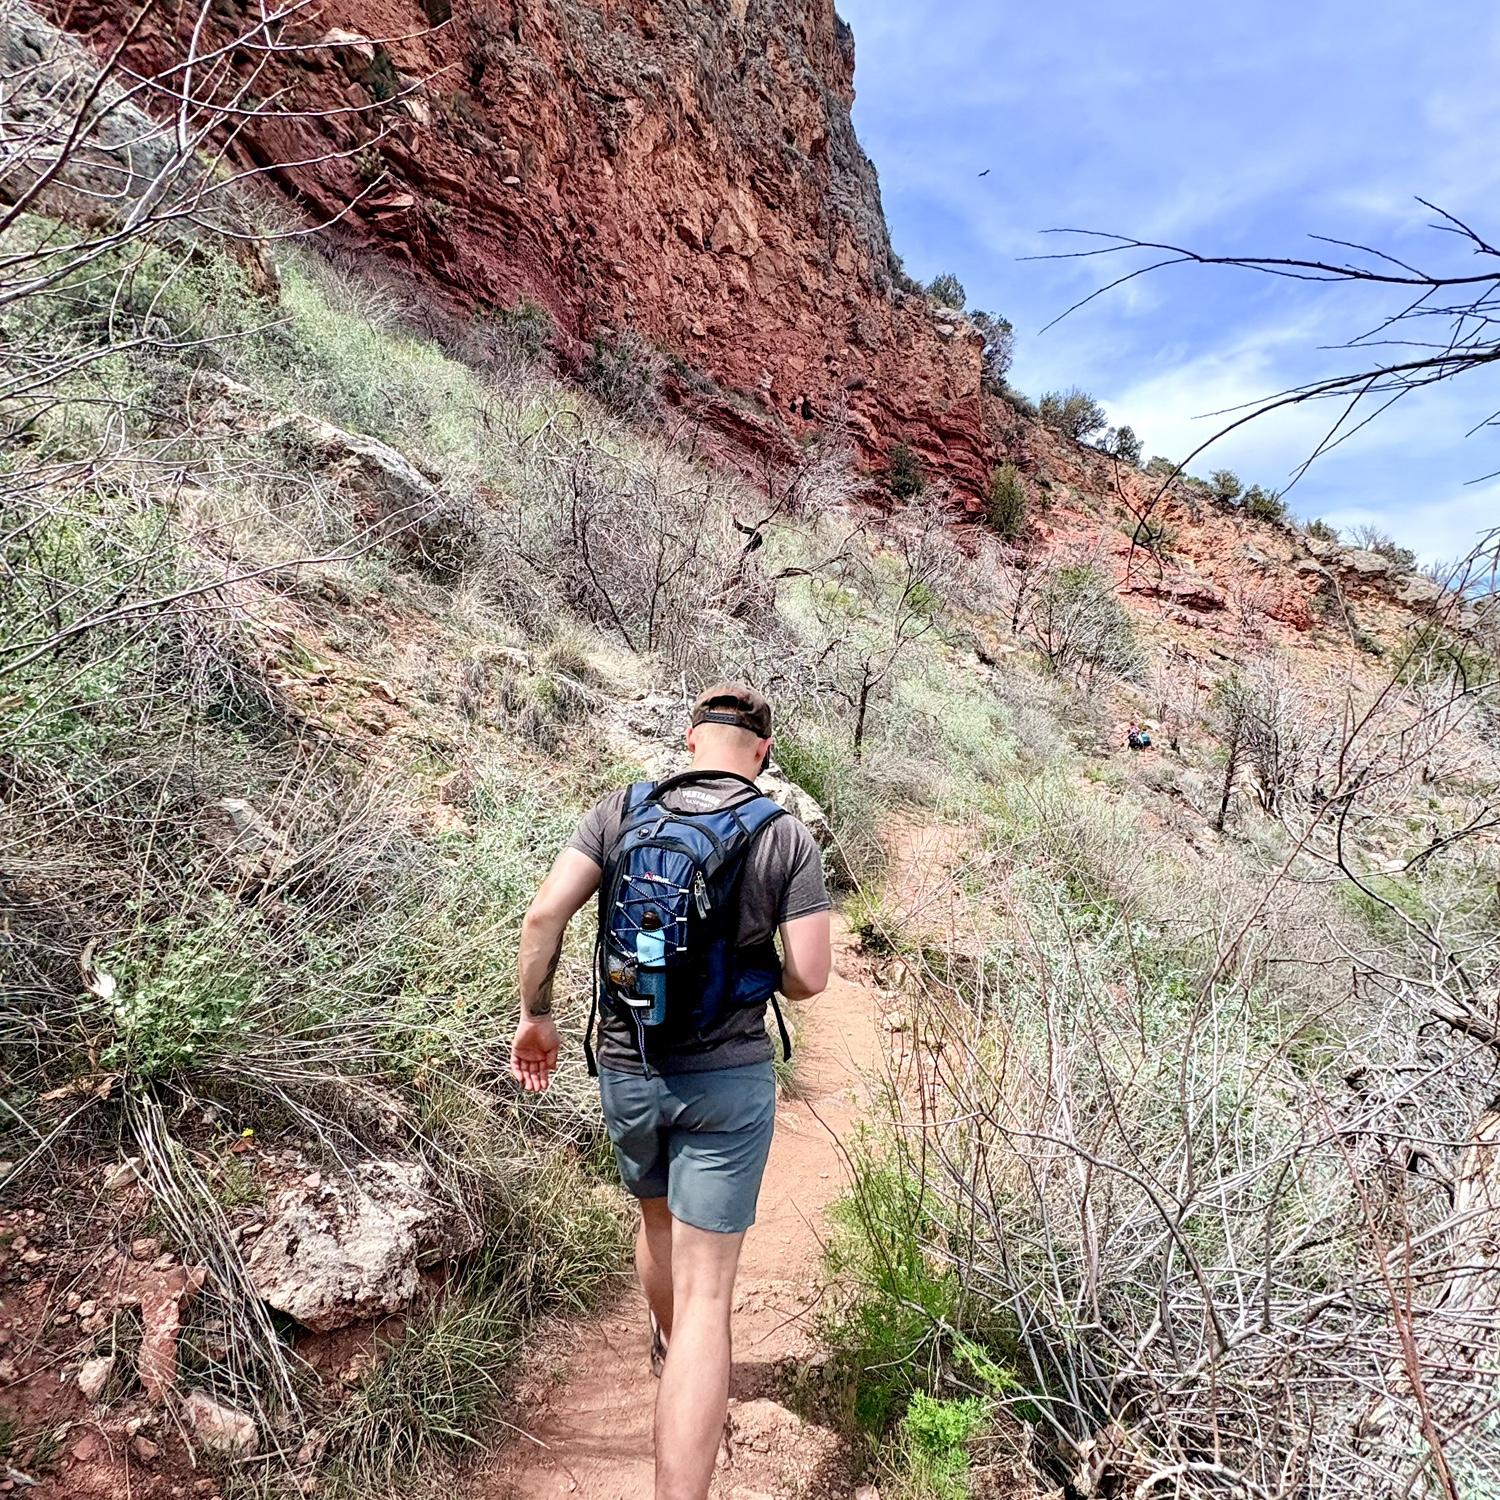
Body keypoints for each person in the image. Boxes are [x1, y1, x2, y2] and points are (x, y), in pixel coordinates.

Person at [510, 682, 833, 1500]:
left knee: (654, 1219)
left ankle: (662, 1334)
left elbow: (544, 917)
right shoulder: (783, 834)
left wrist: (536, 1020)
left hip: (626, 1066)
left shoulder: (621, 810)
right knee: (709, 1300)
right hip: (726, 1079)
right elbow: (810, 978)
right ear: (762, 752)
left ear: (691, 741)